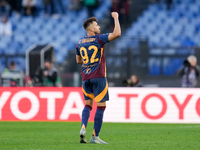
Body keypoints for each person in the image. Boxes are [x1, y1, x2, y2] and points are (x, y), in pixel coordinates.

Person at [76, 12, 121, 144]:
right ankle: (95, 136)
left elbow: (79, 60)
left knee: (87, 105)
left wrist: (88, 62)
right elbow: (117, 33)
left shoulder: (79, 43)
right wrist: (116, 18)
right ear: (91, 29)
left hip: (85, 77)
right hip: (99, 76)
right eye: (96, 25)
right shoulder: (99, 39)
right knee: (101, 107)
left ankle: (83, 128)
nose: (99, 27)